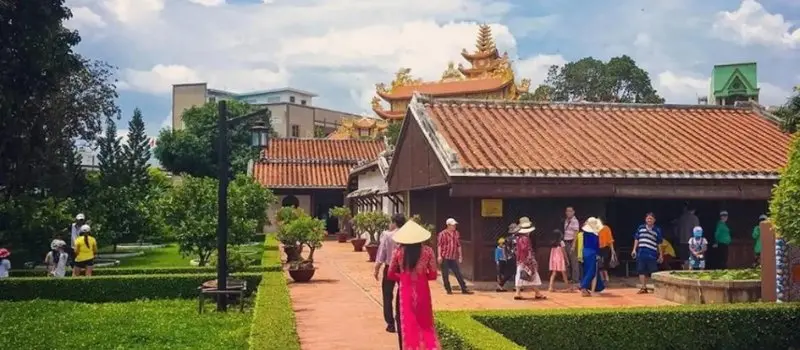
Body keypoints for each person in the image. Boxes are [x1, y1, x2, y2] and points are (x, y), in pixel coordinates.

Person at [387, 220, 441, 349]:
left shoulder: (398, 252)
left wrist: (403, 278)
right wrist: (421, 277)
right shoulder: (428, 251)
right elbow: (433, 275)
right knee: (425, 323)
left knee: (408, 322)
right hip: (422, 290)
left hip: (405, 290)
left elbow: (390, 274)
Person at [373, 213, 406, 333]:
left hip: (389, 267)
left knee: (387, 296)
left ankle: (390, 323)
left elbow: (381, 253)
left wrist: (376, 269)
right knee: (402, 296)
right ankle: (401, 321)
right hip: (403, 269)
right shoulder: (408, 236)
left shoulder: (387, 235)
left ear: (394, 222)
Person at [513, 217, 546, 300]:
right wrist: (531, 259)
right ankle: (537, 293)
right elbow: (526, 250)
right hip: (526, 260)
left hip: (520, 260)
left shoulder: (518, 238)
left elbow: (518, 251)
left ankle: (519, 293)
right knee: (532, 275)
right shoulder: (525, 239)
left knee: (520, 276)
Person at [437, 218, 472, 295]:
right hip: (445, 256)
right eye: (453, 225)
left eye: (455, 225)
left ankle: (464, 288)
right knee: (445, 274)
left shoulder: (456, 233)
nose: (454, 226)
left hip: (453, 257)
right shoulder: (442, 234)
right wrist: (439, 256)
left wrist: (460, 255)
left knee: (458, 273)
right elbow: (439, 245)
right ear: (448, 225)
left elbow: (458, 245)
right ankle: (448, 289)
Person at [632, 212, 663, 294]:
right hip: (641, 252)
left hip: (652, 253)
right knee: (641, 270)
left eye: (651, 218)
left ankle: (657, 288)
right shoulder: (640, 228)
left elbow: (659, 243)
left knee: (654, 271)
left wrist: (661, 255)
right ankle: (643, 287)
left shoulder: (657, 230)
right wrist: (634, 249)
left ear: (654, 220)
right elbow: (636, 239)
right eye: (648, 218)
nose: (649, 220)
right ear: (645, 219)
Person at [579, 217, 606, 297]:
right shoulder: (595, 234)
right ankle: (585, 288)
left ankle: (586, 288)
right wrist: (597, 254)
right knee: (592, 271)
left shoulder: (585, 233)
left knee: (587, 270)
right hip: (592, 252)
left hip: (585, 252)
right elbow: (596, 246)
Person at [563, 206, 581, 283]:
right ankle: (569, 277)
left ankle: (575, 279)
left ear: (573, 212)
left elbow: (576, 233)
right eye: (567, 211)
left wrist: (573, 245)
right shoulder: (566, 220)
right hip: (566, 241)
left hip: (571, 241)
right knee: (567, 261)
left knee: (574, 261)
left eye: (570, 211)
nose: (568, 213)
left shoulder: (575, 221)